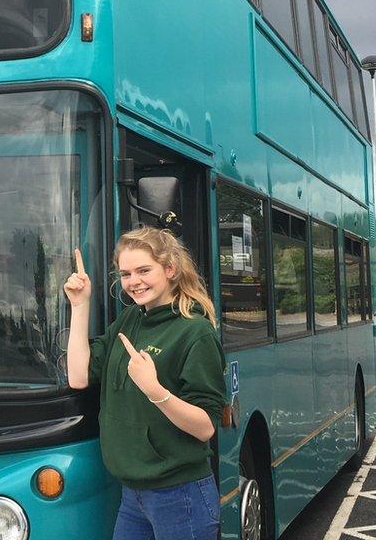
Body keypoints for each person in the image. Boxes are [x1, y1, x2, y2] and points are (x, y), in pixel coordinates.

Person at [64, 227, 226, 540]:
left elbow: (205, 426)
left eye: (143, 270)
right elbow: (79, 376)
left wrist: (155, 390)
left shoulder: (195, 333)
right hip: (134, 495)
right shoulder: (129, 320)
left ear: (170, 269)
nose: (133, 281)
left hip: (181, 496)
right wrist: (80, 305)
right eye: (125, 274)